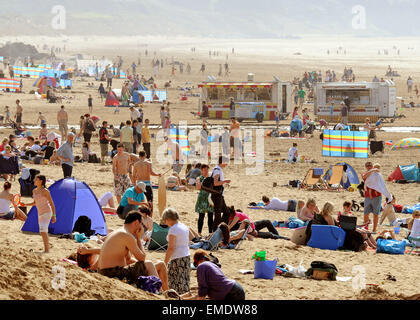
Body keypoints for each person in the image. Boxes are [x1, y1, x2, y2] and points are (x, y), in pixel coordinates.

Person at [97, 211, 169, 291]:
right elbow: (142, 258)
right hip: (113, 273)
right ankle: (162, 294)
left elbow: (128, 259)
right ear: (136, 222)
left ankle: (164, 292)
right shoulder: (127, 235)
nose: (142, 227)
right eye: (141, 224)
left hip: (105, 271)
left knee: (151, 265)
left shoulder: (118, 231)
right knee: (149, 264)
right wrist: (138, 238)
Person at [21, 175, 56, 253]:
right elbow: (35, 203)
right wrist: (25, 204)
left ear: (41, 181)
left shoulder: (45, 191)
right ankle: (47, 246)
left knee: (43, 231)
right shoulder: (34, 190)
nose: (34, 181)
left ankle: (47, 250)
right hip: (40, 213)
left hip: (47, 212)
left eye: (36, 179)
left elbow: (52, 203)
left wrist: (54, 216)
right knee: (42, 231)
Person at [162, 208, 191, 295]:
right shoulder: (184, 226)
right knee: (184, 282)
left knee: (175, 284)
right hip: (186, 256)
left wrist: (165, 262)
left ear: (167, 219)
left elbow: (171, 248)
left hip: (177, 259)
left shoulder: (173, 229)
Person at [362, 162, 392, 232]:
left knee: (375, 214)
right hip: (368, 197)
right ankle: (366, 228)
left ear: (372, 166)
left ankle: (374, 229)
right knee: (366, 214)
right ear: (366, 167)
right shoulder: (365, 173)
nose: (369, 167)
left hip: (377, 196)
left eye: (370, 165)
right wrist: (372, 170)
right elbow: (364, 177)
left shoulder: (377, 174)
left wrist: (374, 171)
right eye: (367, 166)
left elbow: (382, 184)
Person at [210, 156, 231, 228]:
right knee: (218, 214)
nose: (227, 164)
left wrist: (224, 183)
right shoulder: (217, 170)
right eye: (226, 162)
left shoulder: (218, 170)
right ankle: (216, 230)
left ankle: (221, 228)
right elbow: (215, 183)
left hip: (219, 195)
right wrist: (225, 181)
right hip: (217, 195)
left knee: (226, 212)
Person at [195, 164, 213, 235]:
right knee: (201, 216)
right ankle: (199, 232)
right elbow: (198, 187)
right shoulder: (199, 178)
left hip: (209, 197)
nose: (206, 171)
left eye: (207, 170)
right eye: (204, 170)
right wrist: (205, 181)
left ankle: (210, 232)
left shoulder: (211, 178)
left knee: (210, 216)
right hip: (202, 198)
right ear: (201, 170)